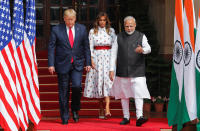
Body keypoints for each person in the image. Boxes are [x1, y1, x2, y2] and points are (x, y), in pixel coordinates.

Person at [48, 9, 91, 125]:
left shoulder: (81, 29)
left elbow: (86, 46)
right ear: (64, 19)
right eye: (68, 20)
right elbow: (51, 47)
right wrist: (51, 64)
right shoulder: (56, 30)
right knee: (63, 91)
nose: (70, 22)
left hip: (77, 63)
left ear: (75, 19)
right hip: (62, 64)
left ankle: (75, 109)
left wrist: (88, 62)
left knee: (77, 86)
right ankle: (65, 116)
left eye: (72, 19)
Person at [109, 16, 151, 126]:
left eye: (131, 26)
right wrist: (111, 69)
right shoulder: (118, 37)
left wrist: (143, 50)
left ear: (135, 25)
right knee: (124, 95)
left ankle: (139, 117)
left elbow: (148, 48)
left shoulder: (141, 36)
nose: (129, 28)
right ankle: (126, 117)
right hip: (122, 70)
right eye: (127, 26)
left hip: (137, 70)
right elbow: (113, 54)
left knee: (139, 94)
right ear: (124, 26)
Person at [84, 12, 116, 119]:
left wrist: (114, 61)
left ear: (107, 21)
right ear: (97, 21)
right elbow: (90, 47)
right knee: (99, 83)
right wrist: (91, 60)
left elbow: (115, 47)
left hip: (108, 58)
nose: (102, 22)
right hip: (97, 59)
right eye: (100, 20)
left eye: (104, 20)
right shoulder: (93, 31)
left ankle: (107, 108)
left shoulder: (111, 31)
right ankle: (101, 107)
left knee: (107, 83)